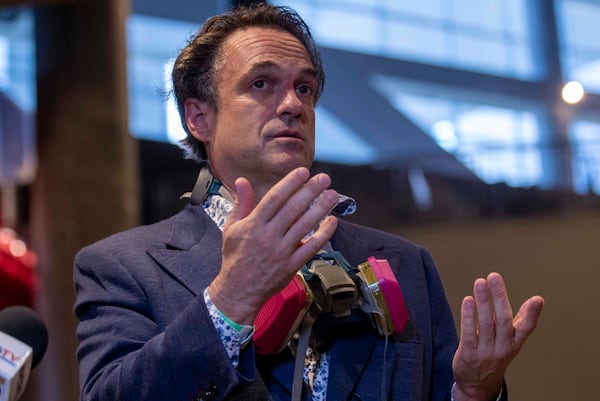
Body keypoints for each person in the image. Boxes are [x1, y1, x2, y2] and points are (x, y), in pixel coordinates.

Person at [73, 4, 544, 401]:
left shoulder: (406, 264)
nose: (293, 104)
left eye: (305, 87)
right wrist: (229, 299)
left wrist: (474, 390)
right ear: (199, 117)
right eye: (262, 84)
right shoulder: (122, 267)